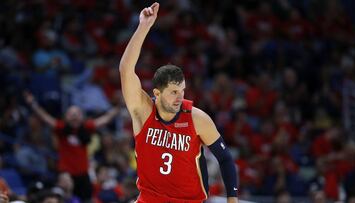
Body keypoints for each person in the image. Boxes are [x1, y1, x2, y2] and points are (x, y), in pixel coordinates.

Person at [118, 2, 238, 203]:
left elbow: (225, 158)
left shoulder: (197, 118)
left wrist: (232, 199)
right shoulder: (143, 111)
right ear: (157, 92)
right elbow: (125, 70)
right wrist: (143, 27)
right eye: (174, 92)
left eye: (182, 90)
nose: (180, 97)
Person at [24, 91, 120, 202]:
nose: (74, 117)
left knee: (88, 199)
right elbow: (45, 118)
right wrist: (33, 104)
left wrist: (118, 107)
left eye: (77, 114)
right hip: (66, 174)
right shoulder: (61, 128)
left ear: (82, 116)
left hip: (83, 174)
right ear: (66, 117)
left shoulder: (87, 127)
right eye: (71, 114)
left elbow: (105, 119)